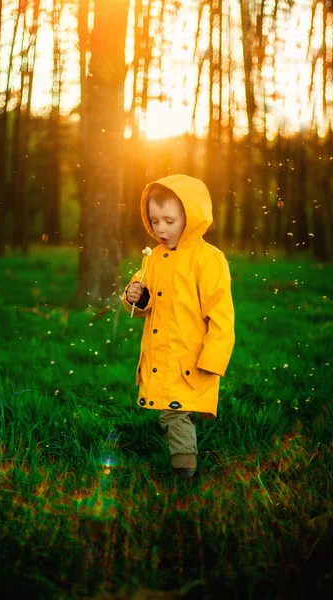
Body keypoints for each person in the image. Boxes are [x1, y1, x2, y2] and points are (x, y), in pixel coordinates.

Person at [121, 174, 235, 481]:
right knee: (170, 411)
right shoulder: (155, 258)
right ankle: (184, 463)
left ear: (191, 218)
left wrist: (212, 360)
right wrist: (135, 294)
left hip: (189, 356)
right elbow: (144, 294)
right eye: (155, 220)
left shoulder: (208, 259)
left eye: (169, 220)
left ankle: (185, 475)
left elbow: (222, 315)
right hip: (161, 354)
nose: (160, 229)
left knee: (175, 412)